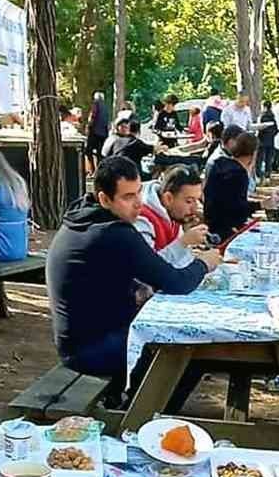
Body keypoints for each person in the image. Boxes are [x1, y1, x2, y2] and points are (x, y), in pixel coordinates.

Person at [45, 155, 221, 389]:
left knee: (183, 343)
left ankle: (140, 403)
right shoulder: (114, 233)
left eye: (138, 192)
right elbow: (177, 283)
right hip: (91, 349)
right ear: (104, 199)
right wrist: (205, 263)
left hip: (79, 340)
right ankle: (146, 415)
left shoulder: (82, 218)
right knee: (191, 351)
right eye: (128, 197)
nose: (138, 203)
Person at [137, 164, 212, 267]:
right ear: (168, 198)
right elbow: (149, 268)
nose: (195, 208)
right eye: (189, 201)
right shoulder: (141, 219)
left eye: (197, 200)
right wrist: (184, 241)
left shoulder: (172, 212)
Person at [204, 131, 259, 241]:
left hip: (211, 223)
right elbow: (237, 210)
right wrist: (261, 205)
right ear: (253, 154)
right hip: (226, 230)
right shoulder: (238, 173)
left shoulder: (220, 164)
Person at [86, 91, 110, 173]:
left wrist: (89, 126)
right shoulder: (106, 107)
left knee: (88, 151)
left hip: (94, 132)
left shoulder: (95, 104)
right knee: (100, 153)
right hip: (103, 133)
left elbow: (93, 115)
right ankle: (100, 171)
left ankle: (92, 169)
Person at [257, 100, 279, 181]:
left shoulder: (263, 116)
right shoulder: (273, 117)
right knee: (268, 159)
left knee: (259, 159)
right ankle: (267, 175)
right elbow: (276, 129)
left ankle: (259, 175)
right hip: (271, 141)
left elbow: (260, 129)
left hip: (262, 141)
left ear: (265, 106)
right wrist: (271, 136)